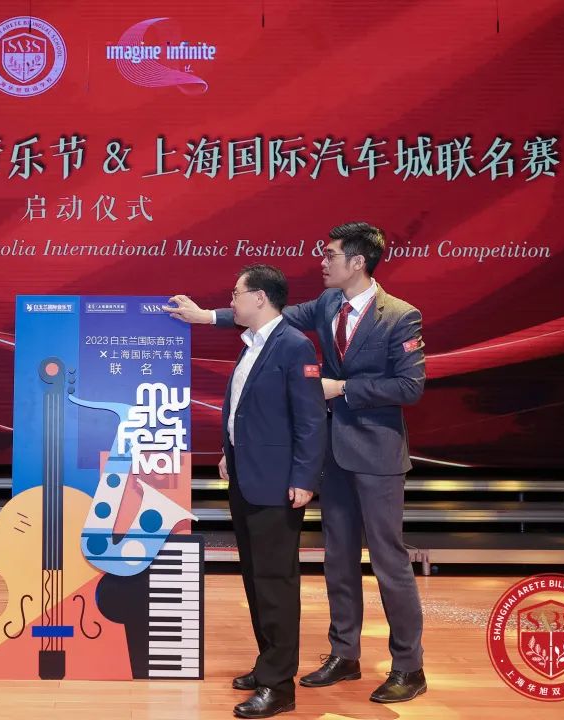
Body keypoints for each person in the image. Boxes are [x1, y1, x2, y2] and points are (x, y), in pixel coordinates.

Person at [167, 222, 428, 704]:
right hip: (332, 452)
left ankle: (408, 665)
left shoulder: (399, 315)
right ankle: (344, 653)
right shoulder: (328, 304)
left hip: (377, 453)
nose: (322, 263)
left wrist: (342, 388)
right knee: (338, 559)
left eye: (331, 255)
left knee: (388, 560)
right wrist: (206, 316)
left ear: (357, 262)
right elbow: (270, 312)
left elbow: (410, 386)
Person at [217, 264, 327, 718]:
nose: (232, 301)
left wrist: (304, 478)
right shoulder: (253, 345)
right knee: (255, 579)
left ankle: (279, 686)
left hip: (278, 483)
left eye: (236, 293)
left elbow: (311, 418)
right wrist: (229, 452)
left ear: (259, 297)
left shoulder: (294, 345)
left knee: (275, 584)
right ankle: (268, 664)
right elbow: (244, 412)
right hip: (247, 477)